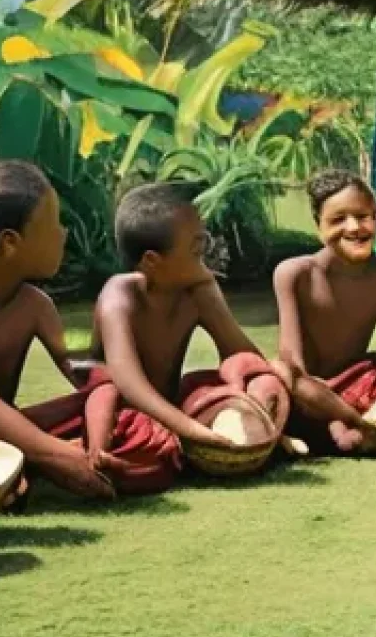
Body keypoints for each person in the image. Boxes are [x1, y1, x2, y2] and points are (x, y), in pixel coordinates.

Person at [88, 183, 298, 475]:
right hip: (121, 412)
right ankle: (100, 453)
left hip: (172, 405)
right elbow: (129, 384)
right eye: (197, 249)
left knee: (260, 380)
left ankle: (259, 437)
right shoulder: (120, 295)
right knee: (109, 396)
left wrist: (259, 392)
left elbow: (241, 355)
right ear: (152, 261)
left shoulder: (197, 290)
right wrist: (192, 430)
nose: (207, 253)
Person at [0, 160, 113, 498]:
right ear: (10, 242)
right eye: (53, 223)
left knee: (137, 423)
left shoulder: (37, 306)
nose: (63, 233)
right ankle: (23, 460)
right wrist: (56, 452)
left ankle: (12, 463)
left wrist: (100, 435)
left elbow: (93, 376)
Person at [273, 169, 376, 454]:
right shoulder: (295, 274)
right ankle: (357, 430)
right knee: (279, 376)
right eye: (338, 219)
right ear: (318, 225)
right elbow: (293, 365)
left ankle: (349, 434)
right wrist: (337, 408)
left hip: (355, 382)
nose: (353, 227)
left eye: (363, 216)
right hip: (309, 390)